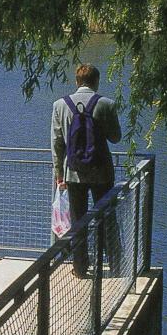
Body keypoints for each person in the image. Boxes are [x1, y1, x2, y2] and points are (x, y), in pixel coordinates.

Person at [51, 63, 122, 276]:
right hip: (102, 174)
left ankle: (80, 268)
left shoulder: (60, 105)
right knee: (107, 218)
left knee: (78, 221)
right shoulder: (107, 104)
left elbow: (57, 143)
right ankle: (116, 266)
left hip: (73, 174)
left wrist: (59, 175)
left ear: (76, 81)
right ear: (96, 81)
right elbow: (116, 138)